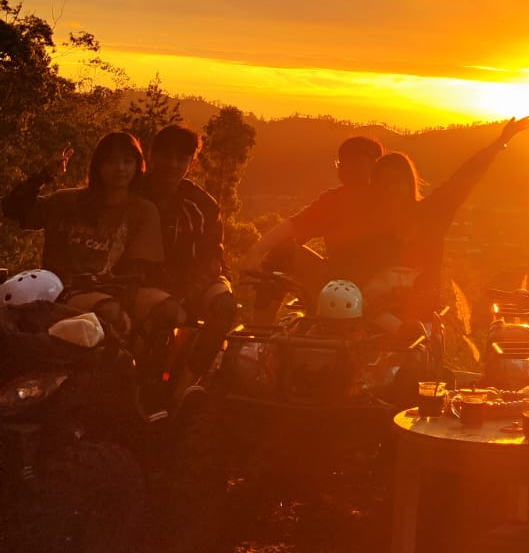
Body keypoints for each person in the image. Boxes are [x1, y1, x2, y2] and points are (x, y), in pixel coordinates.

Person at [1, 131, 182, 401]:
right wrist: (45, 175)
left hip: (118, 287)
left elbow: (143, 267)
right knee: (113, 313)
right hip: (69, 287)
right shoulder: (67, 202)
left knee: (169, 311)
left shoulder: (143, 211)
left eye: (127, 161)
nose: (120, 169)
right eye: (111, 162)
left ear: (137, 166)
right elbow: (14, 209)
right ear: (98, 166)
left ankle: (145, 386)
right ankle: (110, 390)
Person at [362, 117, 529, 338]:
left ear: (409, 182)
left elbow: (465, 177)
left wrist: (500, 142)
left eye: (395, 181)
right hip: (377, 321)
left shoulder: (433, 212)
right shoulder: (370, 225)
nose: (390, 189)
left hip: (421, 321)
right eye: (383, 183)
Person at [144, 124, 235, 379]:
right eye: (166, 155)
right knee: (163, 313)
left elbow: (211, 260)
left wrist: (185, 295)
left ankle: (191, 378)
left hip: (198, 279)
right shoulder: (132, 194)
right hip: (147, 281)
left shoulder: (202, 205)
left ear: (191, 164)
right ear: (152, 155)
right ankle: (149, 381)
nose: (172, 164)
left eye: (181, 158)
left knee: (225, 306)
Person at [244, 134, 386, 297]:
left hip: (379, 282)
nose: (348, 169)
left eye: (356, 163)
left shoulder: (389, 199)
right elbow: (293, 226)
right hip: (333, 279)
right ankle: (263, 323)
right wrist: (256, 251)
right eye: (343, 163)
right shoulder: (332, 201)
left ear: (375, 168)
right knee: (282, 250)